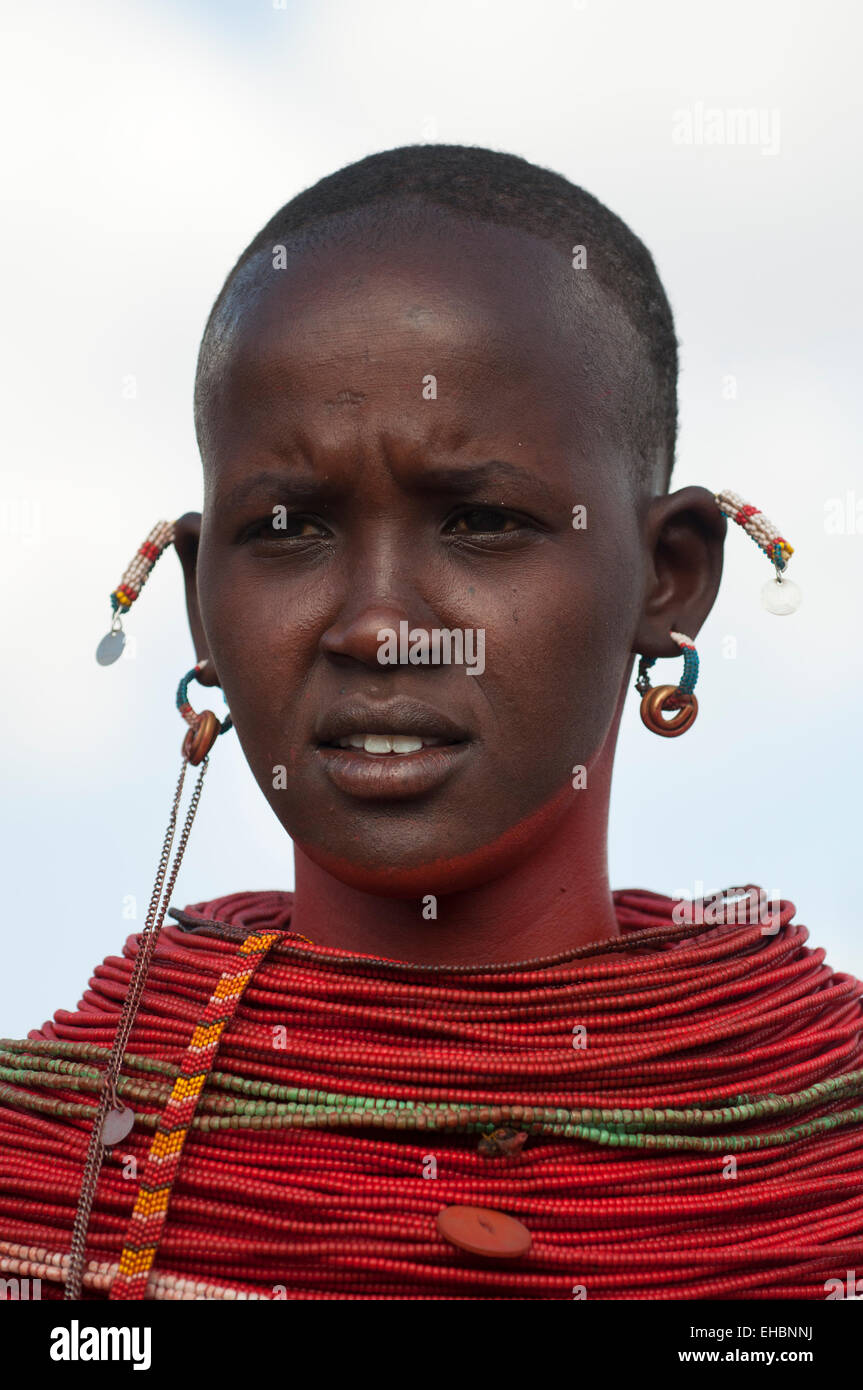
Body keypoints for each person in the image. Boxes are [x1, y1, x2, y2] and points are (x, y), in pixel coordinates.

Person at [1, 144, 860, 1302]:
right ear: (202, 598)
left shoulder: (824, 1139)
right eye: (289, 529)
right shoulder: (41, 1172)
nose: (378, 626)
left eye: (482, 521)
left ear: (665, 577)